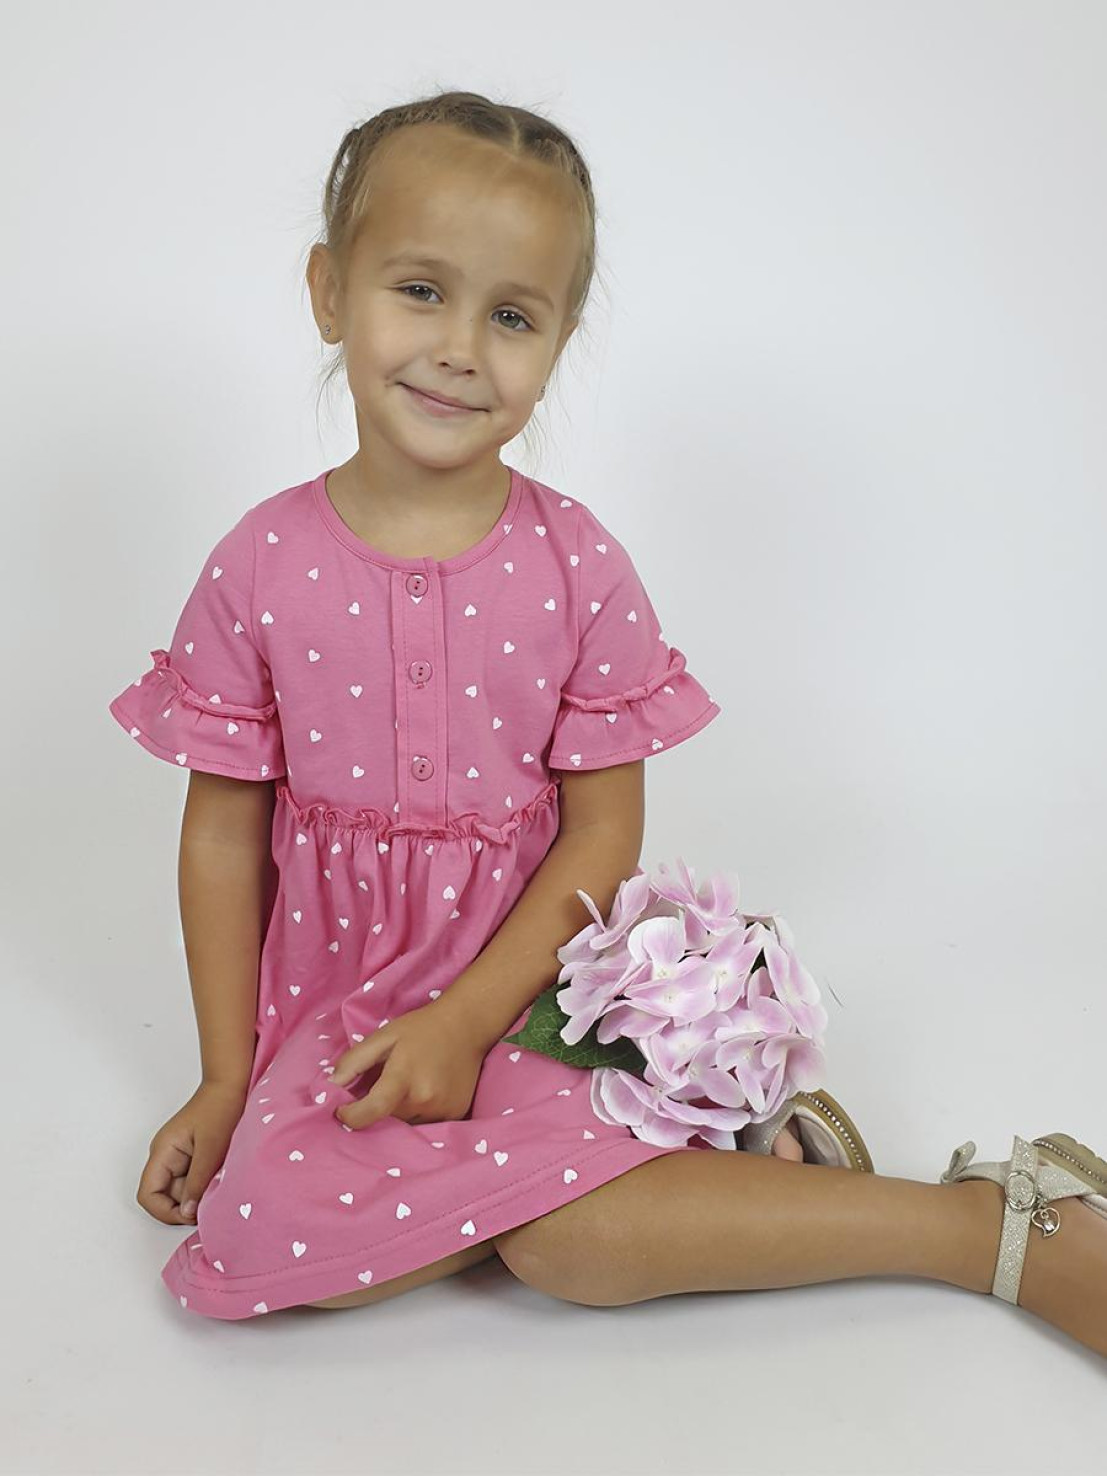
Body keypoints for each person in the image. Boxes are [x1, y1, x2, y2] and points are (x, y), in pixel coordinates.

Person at [108, 91, 1107, 1354]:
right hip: (346, 1005)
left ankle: (987, 1230)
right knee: (261, 1239)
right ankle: (726, 1170)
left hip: (540, 983)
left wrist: (467, 1023)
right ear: (328, 292)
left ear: (560, 339)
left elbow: (598, 838)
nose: (460, 348)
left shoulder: (577, 567)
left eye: (511, 316)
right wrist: (224, 1079)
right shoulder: (257, 566)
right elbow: (219, 840)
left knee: (568, 1252)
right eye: (420, 291)